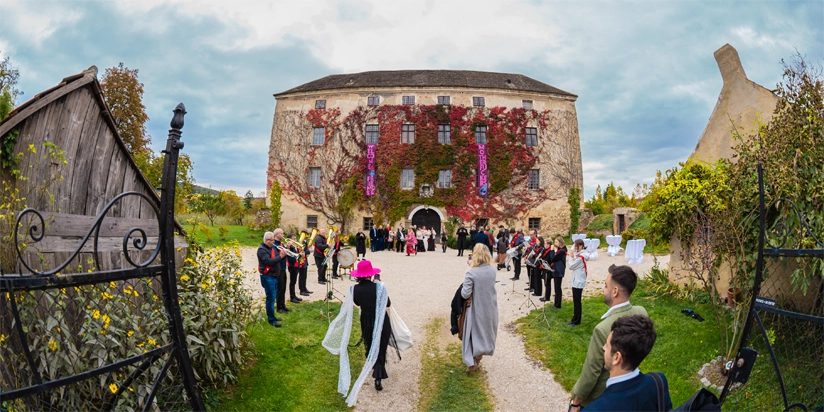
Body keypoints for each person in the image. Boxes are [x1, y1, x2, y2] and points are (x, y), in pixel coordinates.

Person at [569, 265, 648, 410]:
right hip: (631, 384)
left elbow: (591, 373)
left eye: (606, 286)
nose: (603, 289)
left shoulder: (603, 329)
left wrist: (576, 401)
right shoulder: (641, 312)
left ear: (615, 291)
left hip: (601, 396)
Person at [322, 260, 395, 406]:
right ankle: (378, 375)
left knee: (370, 341)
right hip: (381, 320)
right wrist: (378, 285)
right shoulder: (379, 287)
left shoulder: (354, 289)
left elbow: (357, 303)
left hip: (366, 321)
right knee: (381, 344)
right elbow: (387, 303)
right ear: (371, 274)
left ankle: (373, 363)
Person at [577, 315, 671, 412]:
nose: (604, 347)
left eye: (607, 345)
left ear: (616, 357)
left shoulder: (595, 409)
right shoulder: (658, 382)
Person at [460, 243, 499, 372]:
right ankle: (477, 358)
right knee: (485, 333)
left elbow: (465, 293)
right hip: (490, 306)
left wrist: (471, 267)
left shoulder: (471, 273)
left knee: (473, 333)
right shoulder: (492, 270)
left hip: (476, 307)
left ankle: (472, 362)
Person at [257, 231, 287, 327]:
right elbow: (269, 262)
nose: (273, 242)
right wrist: (281, 256)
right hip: (268, 277)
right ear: (266, 240)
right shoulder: (261, 250)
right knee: (270, 299)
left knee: (272, 298)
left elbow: (277, 259)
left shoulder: (272, 248)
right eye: (272, 240)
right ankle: (271, 320)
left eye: (274, 240)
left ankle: (272, 316)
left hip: (274, 276)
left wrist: (284, 254)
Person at [541, 237, 567, 308]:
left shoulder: (562, 251)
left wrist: (552, 250)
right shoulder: (560, 250)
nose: (555, 244)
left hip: (558, 271)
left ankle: (557, 305)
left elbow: (553, 258)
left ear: (560, 243)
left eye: (556, 242)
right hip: (556, 270)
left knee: (557, 288)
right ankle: (556, 304)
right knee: (556, 288)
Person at [567, 239, 588, 326]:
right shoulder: (580, 255)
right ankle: (574, 318)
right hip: (576, 280)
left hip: (578, 281)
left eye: (576, 246)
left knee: (577, 302)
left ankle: (577, 320)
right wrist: (573, 255)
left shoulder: (581, 257)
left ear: (581, 246)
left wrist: (570, 257)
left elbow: (571, 266)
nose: (575, 248)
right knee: (576, 301)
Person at [272, 229, 291, 314]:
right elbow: (277, 255)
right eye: (282, 233)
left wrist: (288, 248)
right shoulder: (274, 244)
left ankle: (283, 305)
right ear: (277, 234)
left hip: (283, 268)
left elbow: (286, 253)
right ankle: (279, 307)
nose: (283, 235)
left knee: (283, 288)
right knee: (279, 289)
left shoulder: (281, 244)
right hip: (278, 269)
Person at [285, 233, 304, 304]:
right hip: (292, 266)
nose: (295, 240)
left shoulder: (294, 246)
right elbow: (290, 257)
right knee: (292, 282)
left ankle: (294, 295)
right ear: (289, 239)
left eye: (295, 238)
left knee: (294, 282)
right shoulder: (289, 247)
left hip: (296, 265)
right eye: (293, 239)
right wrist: (299, 255)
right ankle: (292, 297)